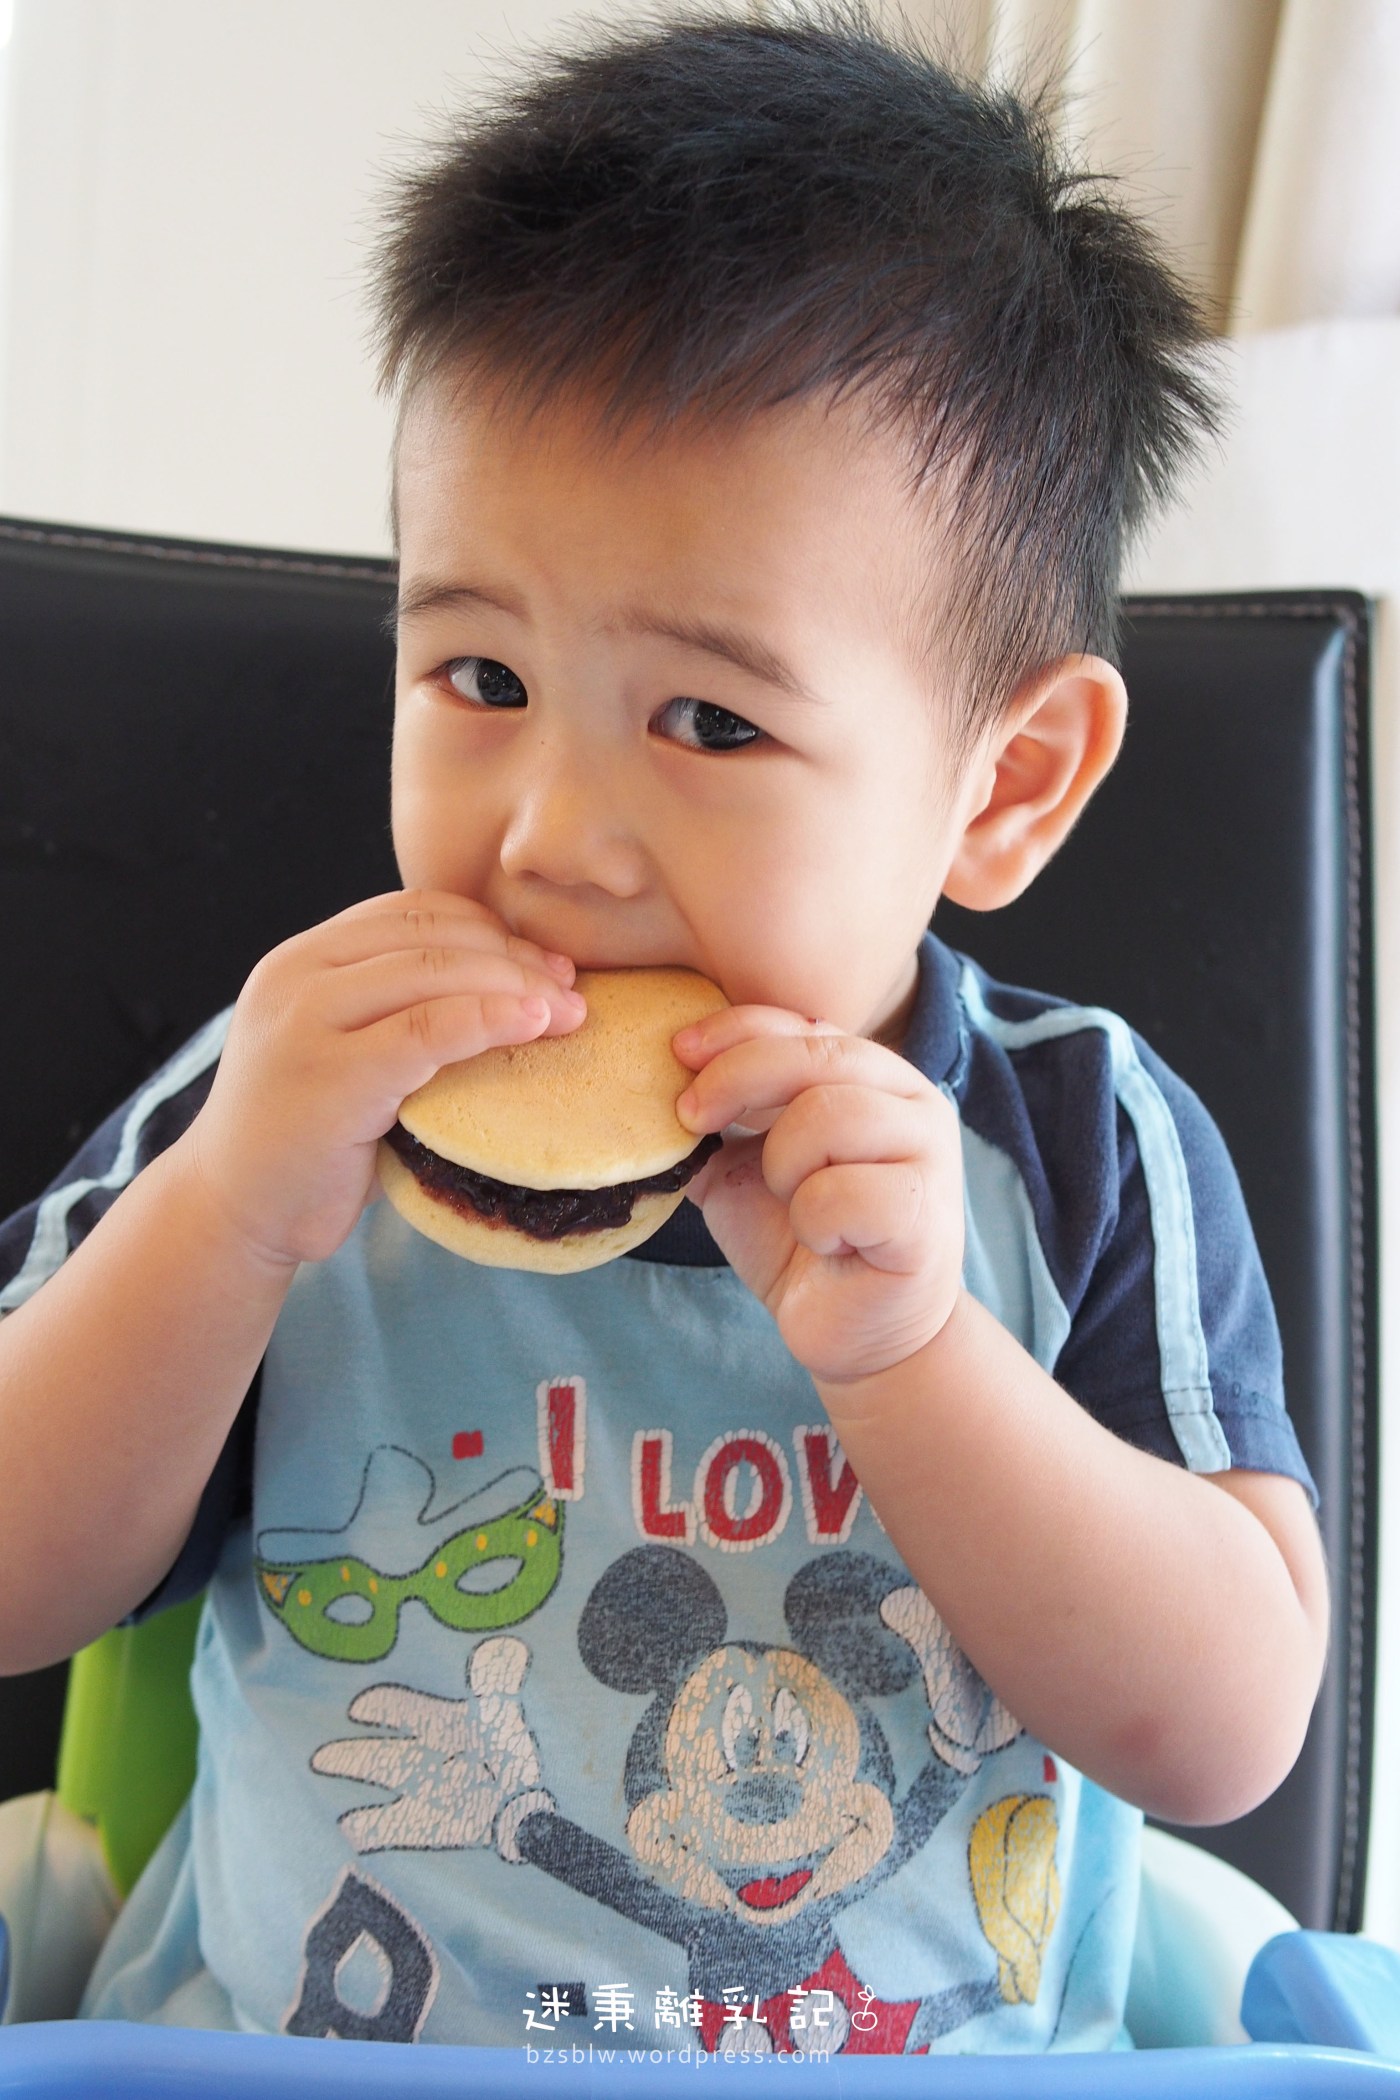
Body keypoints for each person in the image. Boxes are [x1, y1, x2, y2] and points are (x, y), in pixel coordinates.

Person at [0, 2, 1326, 2054]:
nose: (551, 836)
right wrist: (230, 1216)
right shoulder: (287, 1103)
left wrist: (918, 1354)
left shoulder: (1068, 1145)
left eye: (708, 720)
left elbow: (1220, 1733)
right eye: (480, 678)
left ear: (1003, 786)